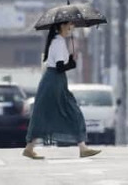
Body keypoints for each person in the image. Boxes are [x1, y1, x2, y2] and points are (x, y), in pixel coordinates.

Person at [22, 21, 101, 159]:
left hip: (55, 81)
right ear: (61, 26)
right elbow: (59, 67)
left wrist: (69, 62)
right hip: (54, 82)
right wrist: (70, 64)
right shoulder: (58, 42)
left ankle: (29, 148)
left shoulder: (57, 41)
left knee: (45, 114)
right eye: (69, 25)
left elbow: (59, 65)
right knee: (72, 112)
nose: (71, 27)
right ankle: (82, 148)